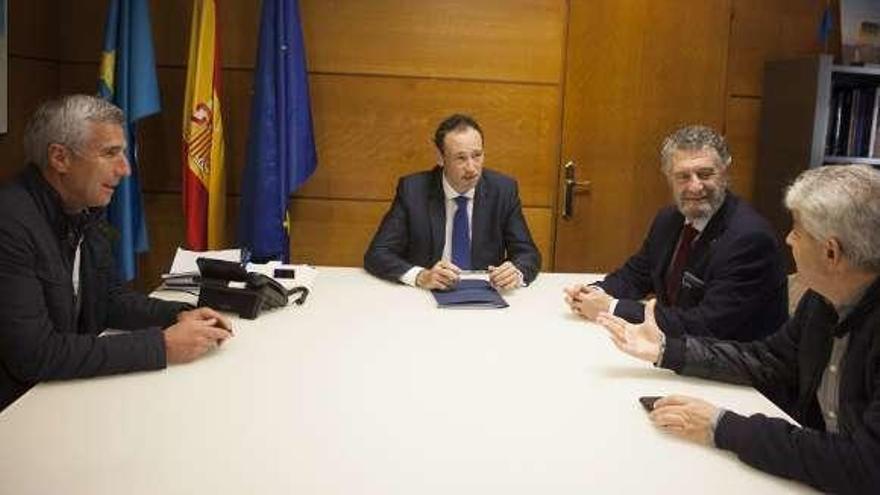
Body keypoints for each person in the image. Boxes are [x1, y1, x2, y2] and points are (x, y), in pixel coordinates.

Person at [596, 164, 880, 493]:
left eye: (797, 231)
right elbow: (768, 359)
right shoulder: (822, 300)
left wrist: (722, 427)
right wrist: (666, 349)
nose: (788, 239)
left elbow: (865, 467)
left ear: (831, 252)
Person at [0, 95, 233, 411]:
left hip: (56, 397)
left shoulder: (81, 209)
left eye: (123, 153)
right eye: (110, 153)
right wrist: (161, 346)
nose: (125, 169)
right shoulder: (10, 222)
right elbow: (34, 354)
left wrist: (177, 314)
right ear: (60, 158)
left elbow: (109, 301)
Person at [565, 125, 786, 341]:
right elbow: (636, 275)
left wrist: (611, 307)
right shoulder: (669, 219)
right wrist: (591, 293)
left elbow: (705, 324)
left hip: (731, 364)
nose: (695, 186)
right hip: (680, 351)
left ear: (725, 172)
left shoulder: (749, 239)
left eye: (705, 174)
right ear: (669, 177)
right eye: (683, 177)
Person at [364, 114, 541, 290]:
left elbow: (528, 254)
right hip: (427, 297)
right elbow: (378, 254)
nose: (472, 168)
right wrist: (421, 276)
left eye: (477, 155)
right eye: (461, 158)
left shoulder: (503, 190)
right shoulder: (413, 190)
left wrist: (515, 273)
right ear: (441, 158)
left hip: (486, 295)